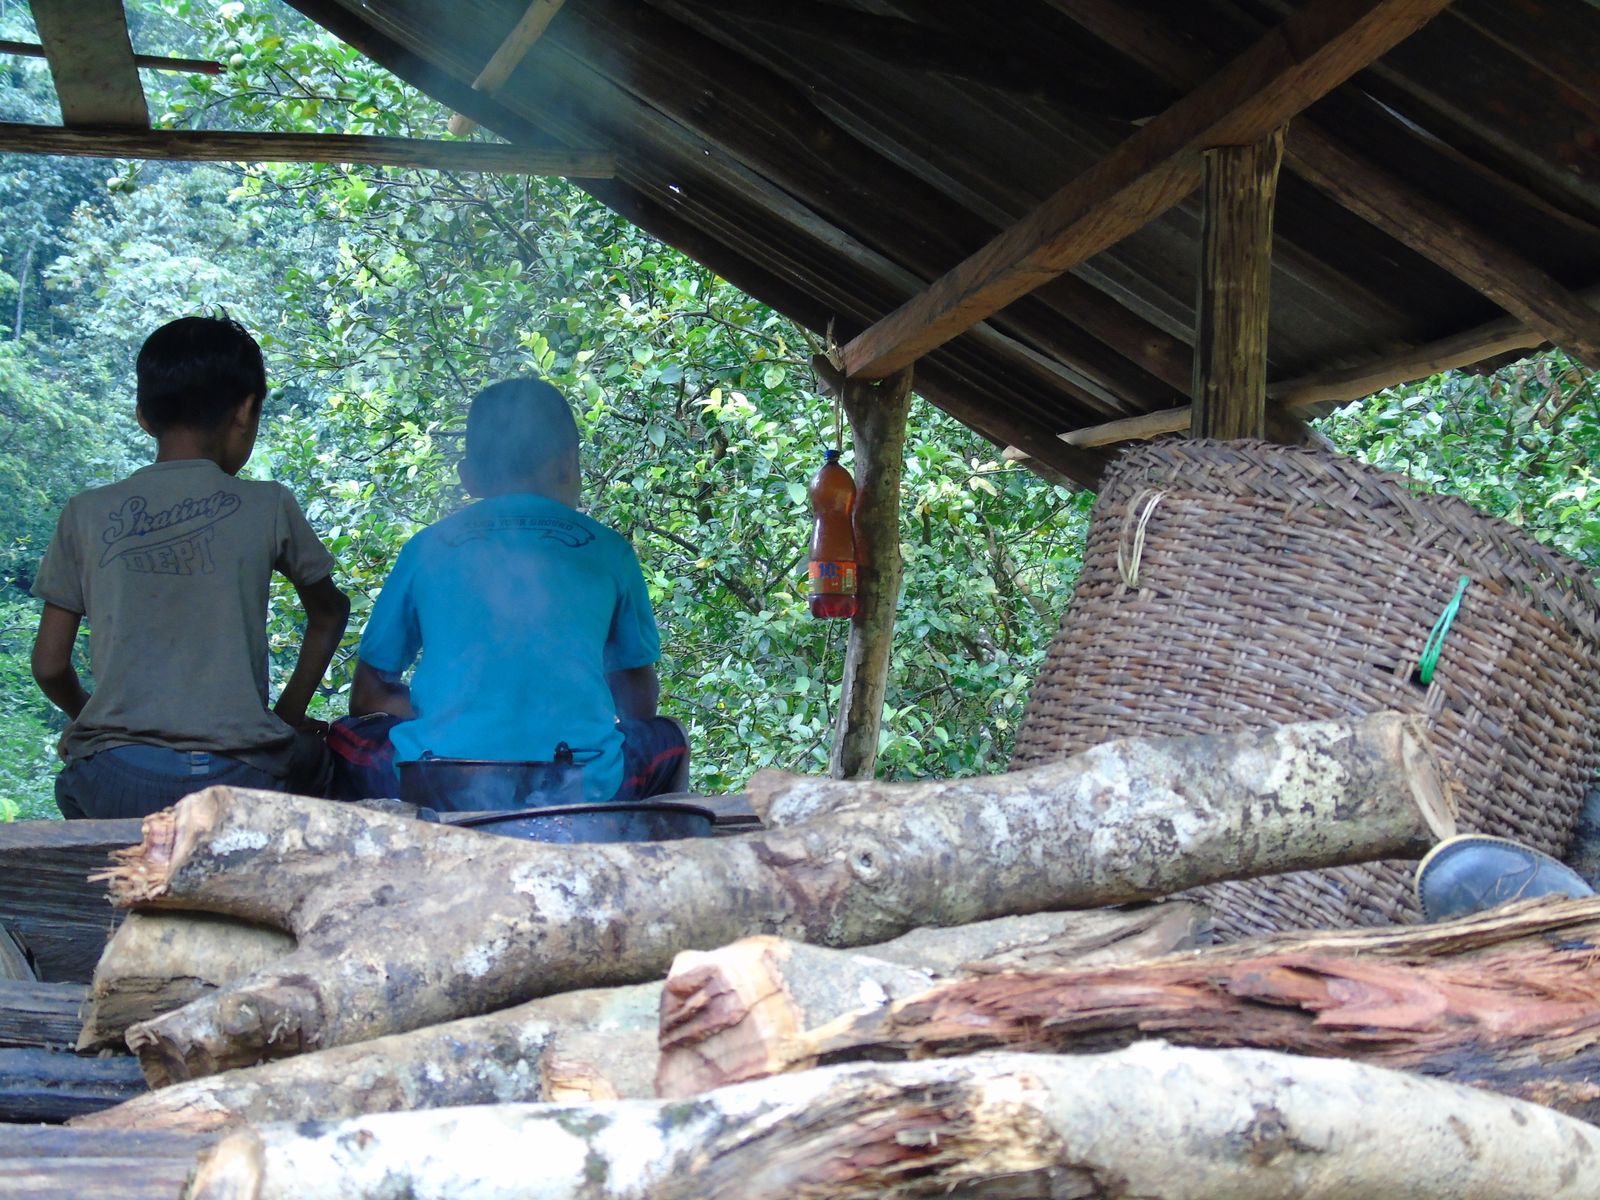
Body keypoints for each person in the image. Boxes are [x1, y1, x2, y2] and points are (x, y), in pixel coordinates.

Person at [30, 315, 350, 819]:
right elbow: (330, 613)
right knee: (326, 765)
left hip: (116, 780)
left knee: (76, 784)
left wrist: (94, 721)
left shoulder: (85, 513)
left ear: (143, 416)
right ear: (245, 410)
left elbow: (49, 664)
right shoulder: (268, 504)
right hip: (243, 778)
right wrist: (286, 716)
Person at [342, 376, 687, 806]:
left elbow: (367, 697)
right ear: (568, 465)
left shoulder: (427, 546)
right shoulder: (609, 549)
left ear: (468, 478)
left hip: (436, 781)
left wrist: (455, 709)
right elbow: (639, 704)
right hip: (578, 782)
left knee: (346, 737)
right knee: (666, 738)